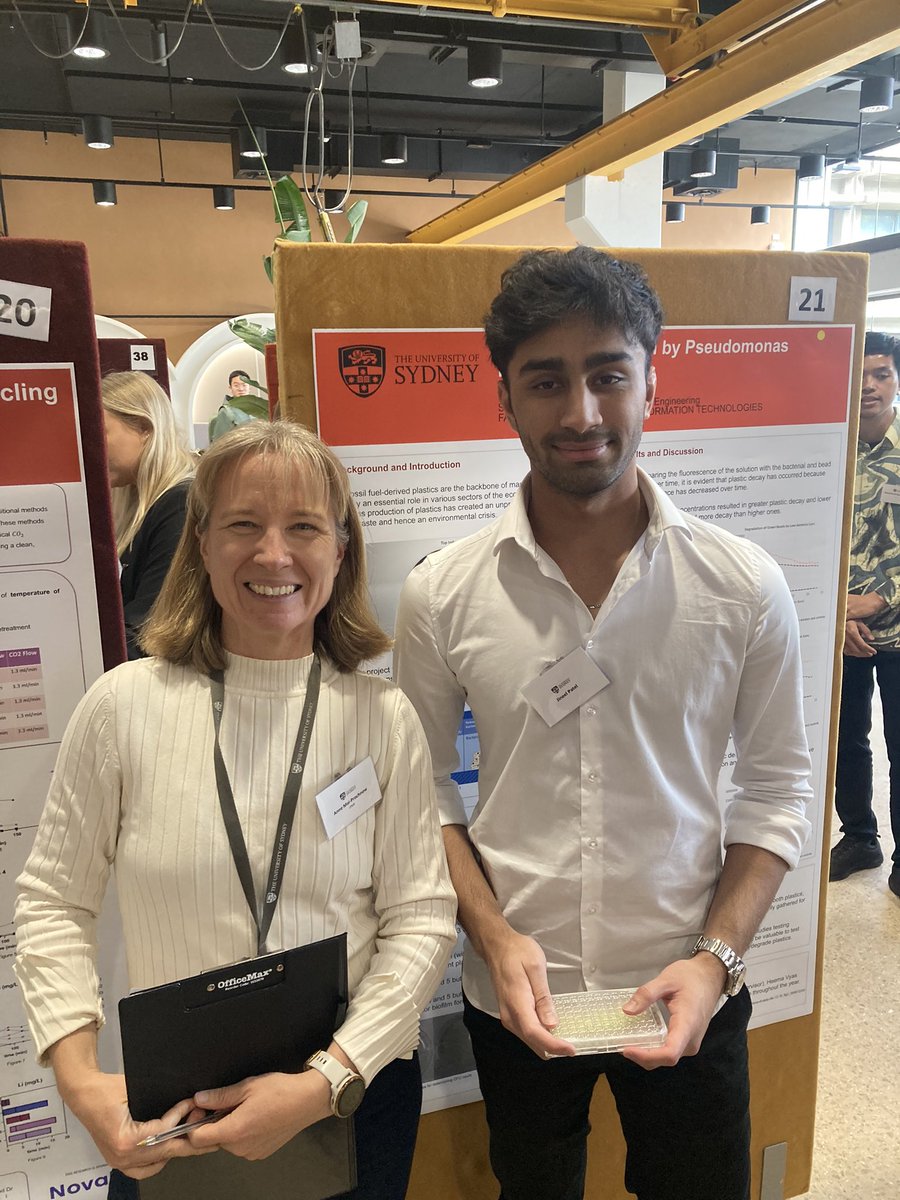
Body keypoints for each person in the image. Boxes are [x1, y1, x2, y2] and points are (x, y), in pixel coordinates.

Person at [394, 247, 813, 1200]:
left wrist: (714, 962)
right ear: (505, 400)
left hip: (693, 982)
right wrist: (493, 938)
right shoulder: (444, 592)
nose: (581, 413)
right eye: (547, 381)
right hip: (518, 997)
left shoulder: (741, 585)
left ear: (651, 384)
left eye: (607, 375)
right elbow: (420, 791)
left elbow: (778, 788)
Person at [15, 421, 457, 1199]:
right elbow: (53, 902)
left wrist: (326, 1080)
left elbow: (420, 918)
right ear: (201, 542)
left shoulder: (381, 719)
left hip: (350, 1099)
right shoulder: (122, 708)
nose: (274, 555)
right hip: (169, 1113)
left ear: (340, 551)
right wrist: (84, 1083)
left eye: (305, 528)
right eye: (244, 525)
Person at [830, 331, 900, 898]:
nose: (870, 385)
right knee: (845, 741)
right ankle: (859, 836)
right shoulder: (831, 451)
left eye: (881, 373)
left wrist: (881, 597)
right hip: (841, 632)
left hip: (898, 627)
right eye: (861, 375)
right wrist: (839, 611)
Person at [101, 371, 195, 659]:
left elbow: (150, 623)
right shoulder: (150, 502)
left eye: (99, 433)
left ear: (144, 427)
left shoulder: (180, 504)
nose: (88, 448)